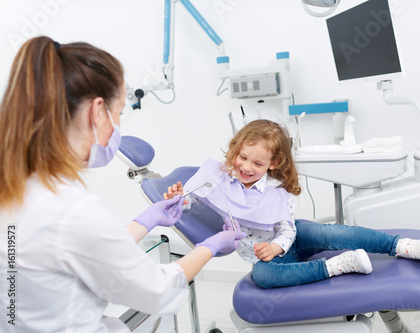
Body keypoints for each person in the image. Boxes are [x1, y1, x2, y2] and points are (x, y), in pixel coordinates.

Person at [0, 36, 245, 333]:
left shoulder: (19, 187)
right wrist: (212, 245)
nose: (118, 123)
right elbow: (159, 290)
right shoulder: (72, 208)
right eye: (119, 113)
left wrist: (149, 218)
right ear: (98, 112)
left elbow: (79, 248)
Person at [166, 119, 420, 289]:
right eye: (243, 157)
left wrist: (275, 245)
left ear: (272, 164)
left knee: (331, 232)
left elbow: (287, 230)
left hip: (290, 238)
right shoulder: (223, 177)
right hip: (265, 258)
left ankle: (403, 246)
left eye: (257, 163)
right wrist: (180, 197)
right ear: (236, 149)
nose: (246, 167)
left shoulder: (276, 191)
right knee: (263, 277)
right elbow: (196, 199)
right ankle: (338, 266)